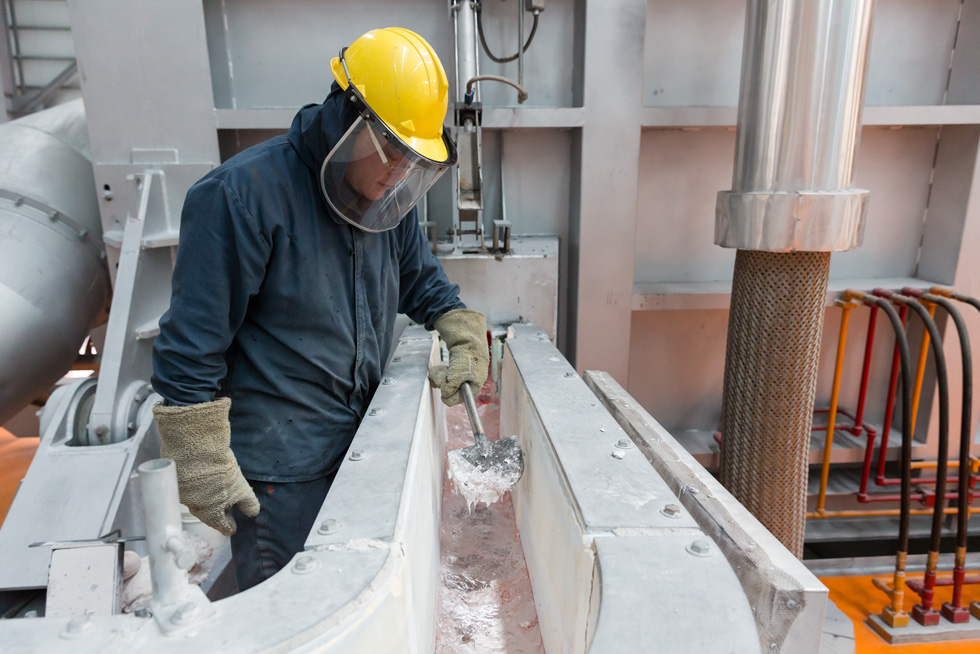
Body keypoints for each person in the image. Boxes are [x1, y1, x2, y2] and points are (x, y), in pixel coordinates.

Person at [150, 28, 488, 592]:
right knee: (293, 611)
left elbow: (421, 283)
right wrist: (200, 459)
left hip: (360, 447)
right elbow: (191, 348)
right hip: (279, 474)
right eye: (394, 155)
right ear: (348, 120)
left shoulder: (383, 200)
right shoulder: (240, 195)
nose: (399, 176)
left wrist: (459, 325)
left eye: (414, 164)